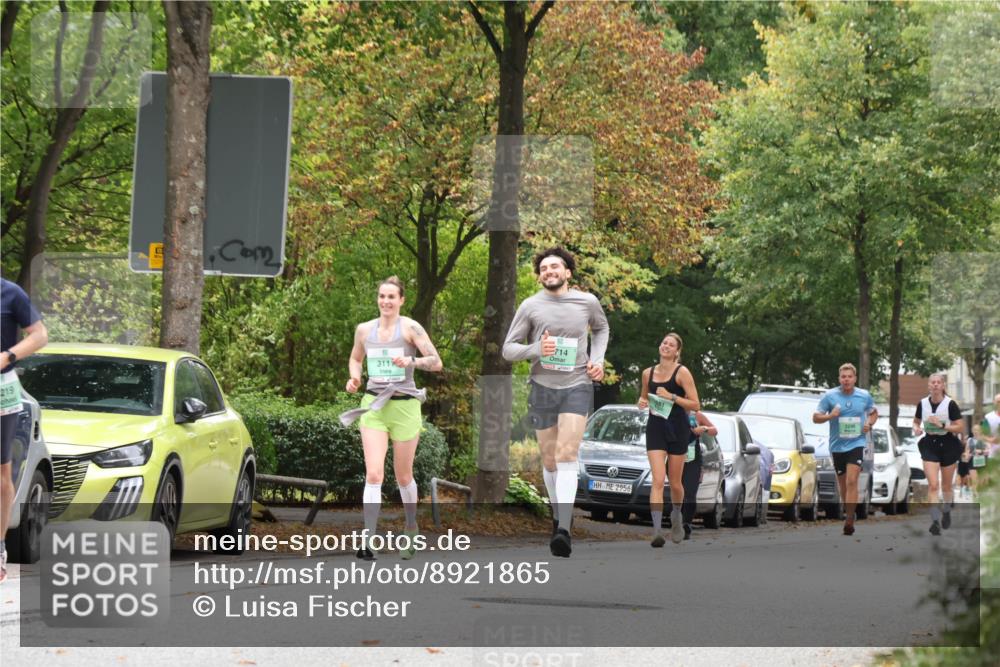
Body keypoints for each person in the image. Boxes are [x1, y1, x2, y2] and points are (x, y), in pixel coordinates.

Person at [502, 247, 609, 558]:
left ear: (567, 273)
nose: (549, 271)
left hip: (577, 383)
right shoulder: (530, 306)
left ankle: (563, 529)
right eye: (544, 268)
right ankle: (557, 513)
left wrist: (597, 360)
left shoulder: (587, 302)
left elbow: (601, 328)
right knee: (549, 461)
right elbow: (509, 350)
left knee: (566, 454)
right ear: (539, 276)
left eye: (555, 267)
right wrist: (537, 349)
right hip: (542, 386)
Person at [339, 277, 442, 561]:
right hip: (374, 406)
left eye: (391, 297)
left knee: (403, 476)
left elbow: (436, 361)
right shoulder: (364, 330)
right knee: (373, 474)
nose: (386, 301)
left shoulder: (410, 328)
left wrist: (412, 362)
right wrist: (355, 378)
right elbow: (356, 358)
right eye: (382, 296)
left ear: (401, 300)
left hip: (405, 406)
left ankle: (411, 528)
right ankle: (368, 539)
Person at [1, 278, 48, 584]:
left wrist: (7, 357)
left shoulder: (9, 292)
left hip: (1, 389)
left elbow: (40, 335)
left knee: (1, 475)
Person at [638, 333, 701, 546]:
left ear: (677, 352)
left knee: (675, 482)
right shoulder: (648, 373)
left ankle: (676, 516)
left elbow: (695, 405)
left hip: (678, 429)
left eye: (671, 345)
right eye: (664, 342)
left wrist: (672, 396)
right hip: (655, 428)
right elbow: (644, 397)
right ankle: (656, 530)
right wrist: (642, 401)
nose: (666, 346)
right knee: (657, 480)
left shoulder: (682, 373)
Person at [813, 363, 878, 536]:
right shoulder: (830, 396)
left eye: (849, 376)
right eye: (843, 377)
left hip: (857, 443)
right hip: (837, 446)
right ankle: (849, 510)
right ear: (839, 379)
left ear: (854, 378)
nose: (846, 379)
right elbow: (815, 417)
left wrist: (869, 424)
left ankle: (849, 518)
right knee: (842, 484)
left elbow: (873, 412)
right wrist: (830, 415)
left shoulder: (864, 396)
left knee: (852, 480)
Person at [912, 373, 964, 535]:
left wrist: (942, 425)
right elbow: (916, 421)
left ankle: (946, 511)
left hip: (948, 444)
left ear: (943, 386)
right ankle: (935, 520)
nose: (935, 385)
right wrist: (916, 428)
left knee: (946, 486)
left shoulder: (950, 404)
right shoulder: (922, 403)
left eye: (938, 382)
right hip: (930, 445)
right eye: (932, 382)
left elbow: (960, 427)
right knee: (933, 485)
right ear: (928, 385)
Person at [680, 410, 717, 540]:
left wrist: (704, 429)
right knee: (676, 490)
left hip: (692, 459)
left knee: (690, 492)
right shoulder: (672, 411)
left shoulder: (696, 415)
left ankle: (686, 525)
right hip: (674, 456)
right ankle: (676, 522)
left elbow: (714, 430)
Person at [956, 433, 972, 500]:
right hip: (961, 462)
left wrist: (968, 454)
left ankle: (967, 494)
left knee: (967, 477)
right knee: (962, 479)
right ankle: (961, 492)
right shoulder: (957, 443)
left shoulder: (968, 443)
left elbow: (969, 452)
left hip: (967, 462)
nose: (964, 438)